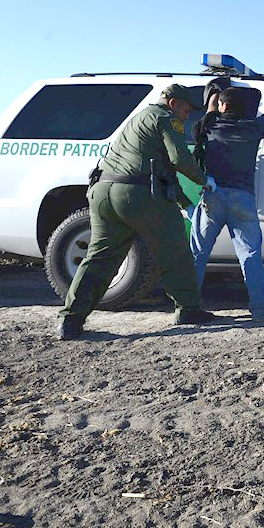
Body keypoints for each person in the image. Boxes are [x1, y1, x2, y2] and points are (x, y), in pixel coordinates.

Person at [56, 84, 218, 339]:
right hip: (137, 195)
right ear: (173, 103)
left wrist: (182, 201)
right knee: (176, 250)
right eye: (186, 111)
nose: (187, 117)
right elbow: (178, 158)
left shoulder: (138, 118)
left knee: (99, 258)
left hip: (103, 191)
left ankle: (70, 319)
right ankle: (188, 309)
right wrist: (203, 179)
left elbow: (160, 168)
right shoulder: (166, 118)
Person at [190, 78, 264, 320]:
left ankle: (188, 307)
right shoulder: (253, 127)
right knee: (250, 255)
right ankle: (263, 310)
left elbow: (211, 107)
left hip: (212, 196)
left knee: (198, 253)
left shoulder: (211, 125)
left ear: (223, 106)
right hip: (242, 198)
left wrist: (217, 91)